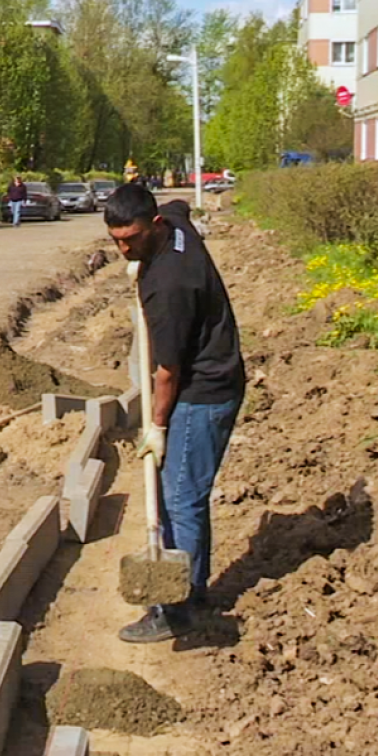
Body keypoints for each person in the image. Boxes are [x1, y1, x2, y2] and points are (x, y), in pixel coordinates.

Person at [104, 182, 246, 643]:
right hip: (208, 377)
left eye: (134, 239)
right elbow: (182, 202)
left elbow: (166, 372)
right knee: (176, 495)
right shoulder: (178, 222)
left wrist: (158, 426)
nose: (125, 248)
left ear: (156, 226)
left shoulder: (171, 285)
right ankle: (189, 585)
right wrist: (138, 259)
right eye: (117, 240)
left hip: (202, 391)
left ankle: (178, 608)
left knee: (182, 497)